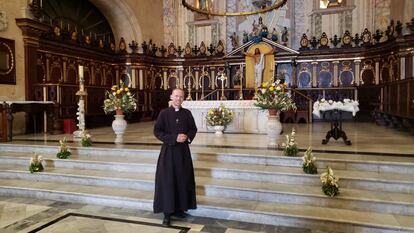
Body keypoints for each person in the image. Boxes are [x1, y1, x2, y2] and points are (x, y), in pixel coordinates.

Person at [153, 88, 197, 227]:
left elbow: (193, 129)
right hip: (168, 153)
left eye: (181, 97)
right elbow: (157, 131)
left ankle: (179, 209)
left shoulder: (187, 113)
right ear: (171, 97)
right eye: (176, 96)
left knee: (182, 180)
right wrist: (174, 137)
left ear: (183, 99)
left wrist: (187, 137)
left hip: (183, 153)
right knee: (168, 181)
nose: (178, 99)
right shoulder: (164, 113)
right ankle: (167, 214)